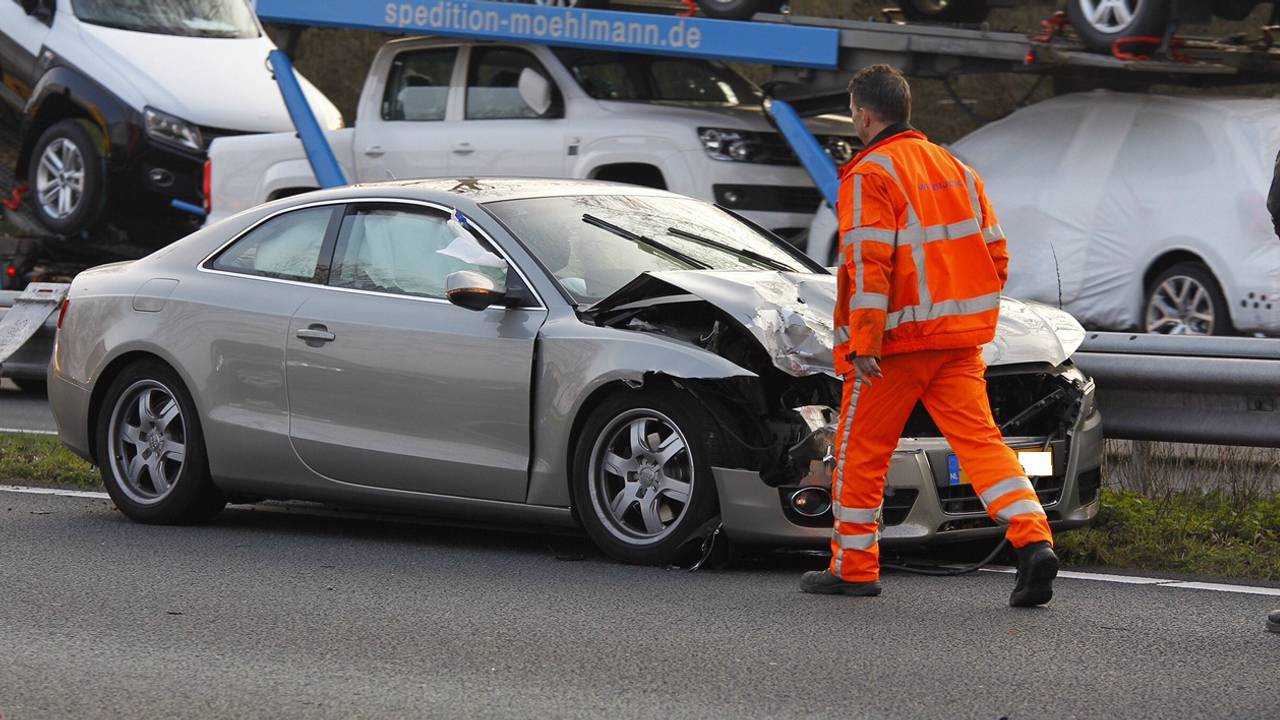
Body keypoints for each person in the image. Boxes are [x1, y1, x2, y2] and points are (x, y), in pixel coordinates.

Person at [799, 64, 1058, 607]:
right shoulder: (956, 168)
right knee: (983, 445)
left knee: (860, 452)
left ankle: (854, 567)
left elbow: (870, 266)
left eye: (853, 113)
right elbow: (996, 254)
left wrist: (865, 340)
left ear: (863, 115)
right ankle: (1033, 540)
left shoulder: (870, 174)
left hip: (894, 347)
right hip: (959, 342)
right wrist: (962, 313)